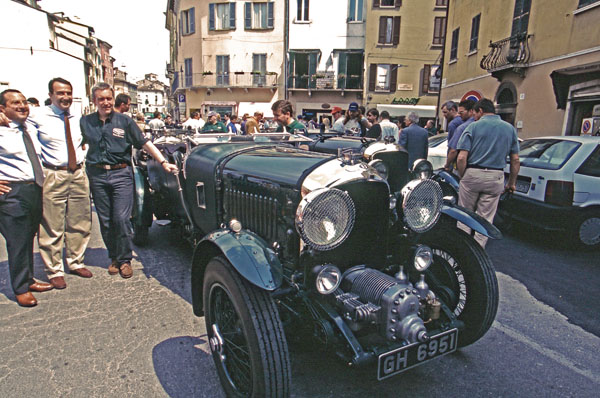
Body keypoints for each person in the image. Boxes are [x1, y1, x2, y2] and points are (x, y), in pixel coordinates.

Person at [80, 83, 178, 278]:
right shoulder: (85, 122)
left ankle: (125, 259)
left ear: (112, 98)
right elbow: (73, 142)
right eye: (101, 99)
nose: (106, 102)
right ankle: (114, 257)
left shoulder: (125, 121)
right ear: (95, 101)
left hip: (121, 174)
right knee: (106, 221)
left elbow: (145, 143)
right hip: (97, 175)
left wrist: (163, 162)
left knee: (122, 219)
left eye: (108, 98)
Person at [35, 77, 93, 289]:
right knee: (52, 224)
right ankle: (54, 270)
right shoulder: (38, 116)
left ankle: (76, 262)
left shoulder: (78, 116)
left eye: (68, 93)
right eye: (60, 93)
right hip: (54, 174)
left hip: (78, 173)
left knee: (80, 221)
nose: (65, 97)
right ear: (51, 95)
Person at [0, 89, 53, 306]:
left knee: (29, 236)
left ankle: (29, 279)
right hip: (13, 191)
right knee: (17, 241)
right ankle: (20, 287)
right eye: (15, 103)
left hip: (34, 188)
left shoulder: (29, 126)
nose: (22, 106)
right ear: (3, 109)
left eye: (24, 102)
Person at [456, 98, 520, 248]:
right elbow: (515, 160)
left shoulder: (472, 127)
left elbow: (461, 157)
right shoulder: (509, 129)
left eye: (475, 114)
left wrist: (462, 175)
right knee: (485, 219)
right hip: (495, 176)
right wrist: (511, 183)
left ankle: (462, 250)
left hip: (473, 172)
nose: (474, 117)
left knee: (464, 215)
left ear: (481, 111)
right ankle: (478, 253)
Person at [444, 99, 476, 172]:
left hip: (463, 166)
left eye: (461, 112)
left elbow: (453, 150)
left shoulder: (462, 127)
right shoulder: (481, 126)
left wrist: (447, 165)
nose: (459, 114)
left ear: (471, 111)